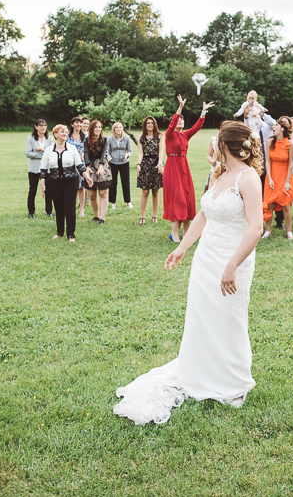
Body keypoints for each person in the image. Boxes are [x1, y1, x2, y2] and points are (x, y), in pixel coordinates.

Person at [113, 121, 263, 425]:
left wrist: (232, 265)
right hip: (206, 258)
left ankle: (233, 383)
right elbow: (203, 214)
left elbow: (256, 228)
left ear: (225, 144)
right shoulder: (218, 173)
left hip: (233, 259)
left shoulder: (249, 178)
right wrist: (182, 247)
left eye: (217, 142)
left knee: (230, 318)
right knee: (203, 317)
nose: (213, 146)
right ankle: (201, 370)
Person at [163, 96, 214, 242]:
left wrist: (203, 112)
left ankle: (186, 233)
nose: (180, 121)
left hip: (184, 168)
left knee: (188, 199)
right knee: (177, 199)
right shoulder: (169, 135)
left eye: (182, 120)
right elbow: (172, 124)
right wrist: (180, 108)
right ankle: (174, 233)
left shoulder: (185, 135)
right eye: (178, 119)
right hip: (172, 168)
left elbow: (197, 127)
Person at [40, 124, 93, 241]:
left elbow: (79, 165)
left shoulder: (71, 148)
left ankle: (71, 234)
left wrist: (87, 177)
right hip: (54, 182)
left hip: (70, 181)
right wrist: (43, 184)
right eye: (62, 132)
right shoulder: (49, 150)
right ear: (55, 134)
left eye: (66, 132)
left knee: (69, 207)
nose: (65, 134)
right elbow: (43, 170)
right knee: (58, 207)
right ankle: (59, 232)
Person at [262, 116, 293, 240]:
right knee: (270, 204)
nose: (273, 127)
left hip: (285, 176)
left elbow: (291, 164)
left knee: (285, 204)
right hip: (272, 175)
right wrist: (270, 178)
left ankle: (289, 231)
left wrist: (287, 181)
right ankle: (267, 230)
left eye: (276, 125)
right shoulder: (270, 142)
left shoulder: (290, 144)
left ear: (282, 128)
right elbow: (267, 162)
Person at [84, 120, 112, 225]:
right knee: (91, 194)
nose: (98, 129)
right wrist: (87, 166)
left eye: (100, 127)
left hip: (102, 165)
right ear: (91, 129)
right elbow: (86, 153)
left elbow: (104, 153)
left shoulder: (105, 140)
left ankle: (103, 218)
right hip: (90, 166)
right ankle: (96, 215)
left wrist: (101, 166)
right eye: (96, 127)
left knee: (103, 192)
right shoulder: (86, 140)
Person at [136, 117, 164, 224]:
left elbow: (161, 151)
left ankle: (154, 215)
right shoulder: (141, 138)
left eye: (152, 123)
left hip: (156, 164)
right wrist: (138, 164)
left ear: (154, 124)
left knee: (155, 191)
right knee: (145, 191)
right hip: (145, 164)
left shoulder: (159, 137)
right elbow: (140, 153)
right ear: (145, 124)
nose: (150, 125)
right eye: (148, 123)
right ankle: (142, 216)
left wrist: (160, 163)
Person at [26, 119, 53, 218]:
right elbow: (28, 153)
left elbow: (51, 153)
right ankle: (31, 212)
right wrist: (42, 155)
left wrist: (41, 150)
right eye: (41, 125)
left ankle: (49, 211)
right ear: (36, 127)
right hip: (34, 169)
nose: (43, 127)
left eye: (45, 125)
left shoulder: (49, 139)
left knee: (48, 191)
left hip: (47, 169)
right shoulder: (31, 138)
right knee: (32, 190)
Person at [108, 122, 133, 211]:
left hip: (124, 163)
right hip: (113, 163)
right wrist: (109, 157)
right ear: (114, 129)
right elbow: (107, 151)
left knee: (125, 183)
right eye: (116, 127)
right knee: (112, 183)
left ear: (122, 129)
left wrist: (127, 155)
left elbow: (130, 151)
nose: (118, 129)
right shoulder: (110, 139)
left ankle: (128, 201)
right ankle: (112, 202)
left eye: (120, 127)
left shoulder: (127, 138)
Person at [67, 116, 86, 217]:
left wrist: (84, 154)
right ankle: (71, 207)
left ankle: (82, 209)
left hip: (80, 164)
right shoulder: (67, 136)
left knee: (81, 187)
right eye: (76, 122)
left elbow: (88, 149)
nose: (79, 125)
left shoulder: (85, 136)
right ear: (72, 124)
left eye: (80, 123)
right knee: (70, 187)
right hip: (69, 164)